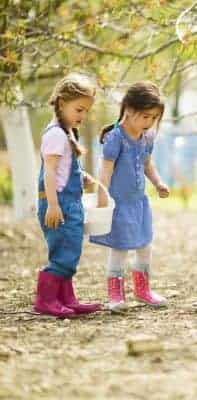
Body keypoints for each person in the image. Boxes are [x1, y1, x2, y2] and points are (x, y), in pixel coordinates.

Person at [90, 82, 170, 311]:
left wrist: (158, 182)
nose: (149, 122)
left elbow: (147, 164)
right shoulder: (115, 138)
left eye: (154, 118)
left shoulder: (147, 138)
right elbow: (105, 172)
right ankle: (116, 295)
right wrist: (102, 201)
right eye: (145, 116)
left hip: (139, 203)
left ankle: (143, 290)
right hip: (119, 204)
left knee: (145, 245)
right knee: (120, 248)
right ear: (128, 109)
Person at [35, 73, 102, 317]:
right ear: (62, 103)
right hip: (59, 203)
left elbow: (63, 169)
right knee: (62, 253)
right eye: (79, 110)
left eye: (86, 111)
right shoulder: (54, 134)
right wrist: (53, 205)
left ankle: (66, 298)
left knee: (70, 251)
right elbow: (49, 174)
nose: (83, 116)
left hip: (70, 202)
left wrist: (80, 175)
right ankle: (46, 300)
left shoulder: (67, 132)